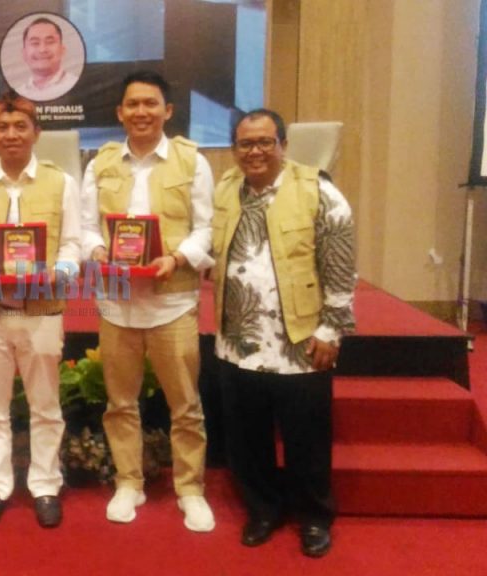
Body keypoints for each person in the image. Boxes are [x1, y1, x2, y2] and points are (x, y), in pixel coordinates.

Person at [212, 108, 356, 558]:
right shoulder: (225, 189)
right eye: (245, 144)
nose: (254, 151)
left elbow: (340, 267)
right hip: (238, 342)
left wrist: (331, 329)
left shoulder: (319, 192)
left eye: (264, 142)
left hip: (299, 341)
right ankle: (263, 510)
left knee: (306, 439)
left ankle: (313, 517)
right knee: (247, 438)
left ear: (283, 145)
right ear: (234, 149)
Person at [80, 71, 216, 531]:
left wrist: (177, 258)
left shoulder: (192, 161)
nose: (142, 112)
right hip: (117, 304)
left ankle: (190, 489)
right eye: (133, 104)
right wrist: (97, 251)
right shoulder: (100, 163)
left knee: (186, 405)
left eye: (151, 103)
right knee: (120, 403)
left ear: (167, 111)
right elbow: (85, 226)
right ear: (120, 112)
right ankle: (128, 482)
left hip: (172, 303)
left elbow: (206, 227)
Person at [0, 91, 81, 529]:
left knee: (45, 405)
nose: (11, 134)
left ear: (36, 132)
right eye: (2, 127)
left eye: (20, 126)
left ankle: (45, 486)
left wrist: (59, 273)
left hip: (42, 310)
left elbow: (73, 242)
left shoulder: (61, 182)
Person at [17, 17, 78, 101]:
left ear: (62, 50)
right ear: (24, 53)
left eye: (50, 42)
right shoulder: (18, 95)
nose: (42, 50)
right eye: (35, 43)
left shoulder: (77, 87)